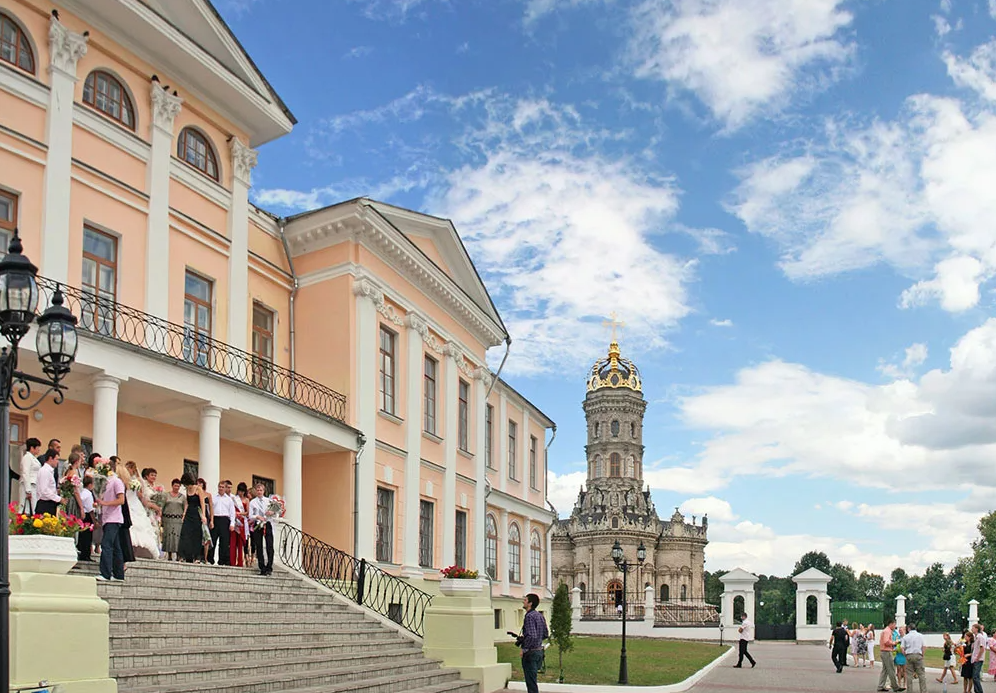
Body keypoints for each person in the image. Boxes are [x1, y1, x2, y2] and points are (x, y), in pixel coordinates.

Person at [95, 467, 126, 582]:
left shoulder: (116, 481)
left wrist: (105, 503)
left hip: (114, 519)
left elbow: (121, 500)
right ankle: (118, 574)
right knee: (116, 547)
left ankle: (105, 573)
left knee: (106, 545)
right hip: (107, 518)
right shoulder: (104, 483)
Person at [124, 461, 159, 559]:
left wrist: (136, 489)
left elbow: (141, 495)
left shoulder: (137, 480)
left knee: (139, 525)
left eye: (129, 468)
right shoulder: (124, 479)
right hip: (127, 501)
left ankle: (137, 548)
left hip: (134, 502)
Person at [520, 593, 548, 693]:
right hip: (539, 652)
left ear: (530, 603)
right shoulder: (539, 616)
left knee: (531, 683)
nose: (523, 601)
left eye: (525, 600)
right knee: (533, 680)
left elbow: (532, 635)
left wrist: (524, 649)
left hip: (531, 653)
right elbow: (545, 634)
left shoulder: (529, 617)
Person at [178, 473, 208, 563]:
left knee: (196, 535)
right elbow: (187, 502)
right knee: (185, 533)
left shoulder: (198, 489)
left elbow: (202, 503)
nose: (186, 486)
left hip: (196, 513)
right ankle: (184, 555)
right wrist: (184, 514)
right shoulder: (187, 489)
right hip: (189, 513)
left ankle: (197, 556)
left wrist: (203, 515)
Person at [248, 482, 275, 575]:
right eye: (258, 490)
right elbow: (250, 515)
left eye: (261, 490)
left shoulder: (268, 500)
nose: (259, 492)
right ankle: (262, 567)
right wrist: (257, 517)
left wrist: (272, 512)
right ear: (256, 491)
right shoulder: (252, 502)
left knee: (269, 545)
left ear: (264, 491)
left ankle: (269, 567)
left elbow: (276, 510)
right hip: (258, 524)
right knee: (258, 546)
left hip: (267, 523)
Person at [161, 479, 185, 561]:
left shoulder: (182, 497)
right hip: (167, 518)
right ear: (172, 486)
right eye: (175, 485)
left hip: (178, 519)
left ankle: (178, 555)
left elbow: (184, 508)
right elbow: (162, 506)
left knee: (177, 537)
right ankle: (169, 555)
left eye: (178, 486)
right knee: (168, 536)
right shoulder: (166, 495)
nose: (176, 487)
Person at [210, 481, 233, 566]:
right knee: (213, 540)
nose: (221, 488)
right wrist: (211, 520)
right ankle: (210, 559)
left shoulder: (229, 499)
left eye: (223, 487)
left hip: (224, 520)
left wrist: (232, 524)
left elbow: (232, 512)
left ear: (225, 488)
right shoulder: (213, 497)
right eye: (220, 486)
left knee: (224, 542)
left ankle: (222, 561)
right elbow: (210, 509)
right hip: (215, 519)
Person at [877, 619, 902, 692]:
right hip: (887, 651)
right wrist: (894, 643)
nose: (895, 626)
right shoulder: (887, 631)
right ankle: (895, 686)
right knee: (891, 670)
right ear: (891, 624)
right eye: (894, 624)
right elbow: (886, 641)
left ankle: (880, 686)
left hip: (884, 651)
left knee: (885, 670)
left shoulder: (886, 631)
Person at [34, 448, 61, 517]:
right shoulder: (45, 471)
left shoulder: (49, 471)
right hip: (45, 505)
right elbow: (44, 490)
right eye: (56, 459)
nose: (57, 462)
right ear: (50, 458)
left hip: (50, 504)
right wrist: (58, 498)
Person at [18, 437, 41, 514]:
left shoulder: (34, 458)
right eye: (37, 448)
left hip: (34, 485)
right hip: (29, 485)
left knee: (33, 507)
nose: (39, 450)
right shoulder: (27, 457)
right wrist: (28, 490)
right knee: (27, 508)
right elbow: (25, 473)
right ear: (32, 448)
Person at [902, 623, 926, 693]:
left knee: (909, 674)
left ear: (909, 629)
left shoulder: (905, 637)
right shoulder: (921, 636)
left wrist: (905, 655)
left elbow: (902, 648)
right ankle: (923, 690)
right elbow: (924, 646)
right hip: (918, 654)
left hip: (909, 655)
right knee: (921, 674)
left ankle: (909, 691)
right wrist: (922, 655)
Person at [77, 475, 95, 561]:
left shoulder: (82, 492)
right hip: (87, 516)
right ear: (90, 485)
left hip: (82, 516)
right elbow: (90, 508)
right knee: (87, 536)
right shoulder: (88, 494)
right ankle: (86, 554)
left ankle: (82, 552)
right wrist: (94, 520)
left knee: (82, 535)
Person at [231, 481, 250, 567]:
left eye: (242, 491)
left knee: (241, 543)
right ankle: (232, 562)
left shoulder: (247, 500)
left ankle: (240, 562)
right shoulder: (234, 499)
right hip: (235, 522)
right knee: (233, 542)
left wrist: (239, 514)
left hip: (242, 522)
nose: (241, 493)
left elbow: (247, 513)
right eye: (239, 491)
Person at [971, 623, 987, 693]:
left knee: (975, 676)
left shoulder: (980, 637)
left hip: (978, 659)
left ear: (976, 629)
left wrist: (977, 657)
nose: (972, 629)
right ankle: (976, 691)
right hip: (974, 658)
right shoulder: (975, 637)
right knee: (974, 676)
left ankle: (980, 691)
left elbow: (982, 648)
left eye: (973, 628)